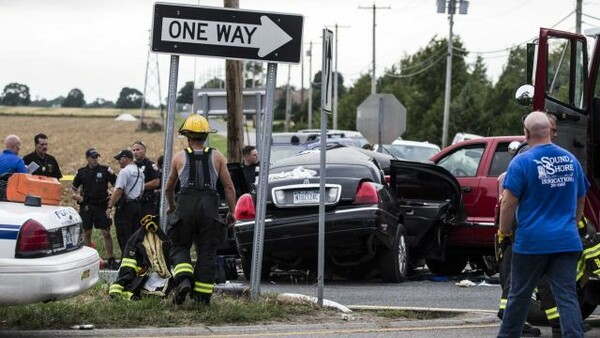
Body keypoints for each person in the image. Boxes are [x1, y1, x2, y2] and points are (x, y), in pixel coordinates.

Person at [497, 111, 590, 338]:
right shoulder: (571, 161)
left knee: (518, 296)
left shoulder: (522, 162)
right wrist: (572, 223)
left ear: (526, 133)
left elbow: (508, 202)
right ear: (550, 130)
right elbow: (581, 199)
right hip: (566, 241)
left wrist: (504, 231)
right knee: (567, 296)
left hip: (532, 243)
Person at [165, 114, 236, 306]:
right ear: (206, 136)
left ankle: (184, 280)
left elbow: (168, 187)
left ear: (187, 136)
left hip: (185, 208)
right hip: (209, 209)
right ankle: (202, 298)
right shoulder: (217, 156)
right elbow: (229, 187)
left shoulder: (179, 157)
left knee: (179, 245)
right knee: (207, 251)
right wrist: (233, 212)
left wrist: (172, 207)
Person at [71, 148, 118, 270]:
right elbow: (73, 188)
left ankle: (111, 258)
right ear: (87, 158)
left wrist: (112, 197)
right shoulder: (81, 172)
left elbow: (118, 185)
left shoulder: (105, 170)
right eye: (93, 157)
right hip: (86, 205)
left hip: (102, 205)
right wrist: (77, 197)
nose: (95, 159)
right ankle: (89, 260)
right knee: (87, 232)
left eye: (97, 157)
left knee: (106, 232)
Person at [107, 149, 144, 254]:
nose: (119, 161)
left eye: (120, 159)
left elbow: (119, 190)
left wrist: (110, 206)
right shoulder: (140, 172)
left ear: (126, 159)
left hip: (125, 208)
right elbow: (141, 191)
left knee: (124, 236)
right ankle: (135, 261)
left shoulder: (124, 171)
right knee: (135, 236)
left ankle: (126, 261)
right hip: (137, 206)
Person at [131, 140, 161, 217]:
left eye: (138, 150)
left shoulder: (151, 165)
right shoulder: (131, 166)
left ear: (144, 150)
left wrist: (140, 186)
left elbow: (156, 182)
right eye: (133, 150)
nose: (135, 152)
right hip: (133, 202)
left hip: (147, 202)